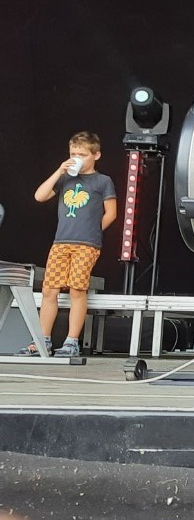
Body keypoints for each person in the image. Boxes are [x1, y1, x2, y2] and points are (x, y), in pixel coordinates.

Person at [19, 131, 117, 357]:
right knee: (49, 290)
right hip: (61, 241)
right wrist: (59, 171)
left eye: (82, 154)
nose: (77, 158)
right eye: (73, 154)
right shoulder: (65, 179)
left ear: (96, 155)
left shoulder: (103, 181)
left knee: (77, 289)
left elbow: (111, 213)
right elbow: (40, 196)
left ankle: (71, 341)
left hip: (86, 244)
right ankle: (41, 340)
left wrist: (93, 231)